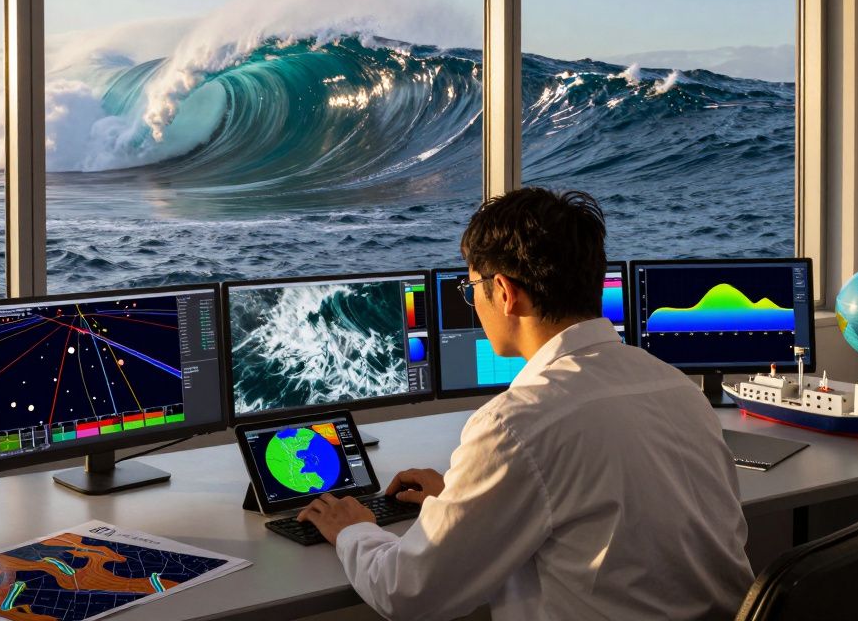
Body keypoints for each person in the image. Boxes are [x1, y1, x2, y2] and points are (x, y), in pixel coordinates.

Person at [296, 188, 754, 620]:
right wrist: (459, 501)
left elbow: (406, 592)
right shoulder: (674, 387)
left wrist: (352, 528)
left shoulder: (516, 424)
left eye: (472, 285)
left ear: (505, 292)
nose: (473, 299)